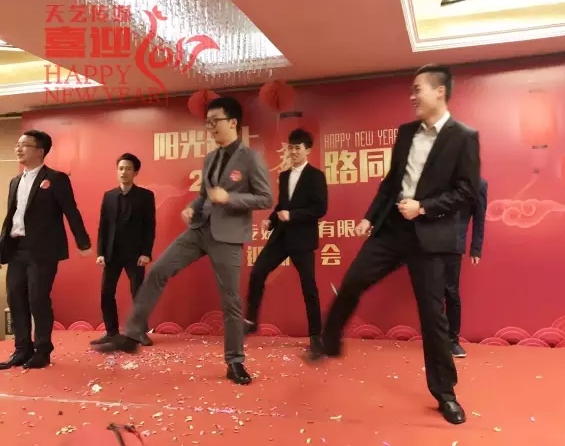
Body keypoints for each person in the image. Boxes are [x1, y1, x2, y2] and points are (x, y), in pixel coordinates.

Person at [303, 64, 480, 425]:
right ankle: (329, 342)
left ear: (439, 92)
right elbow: (390, 183)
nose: (412, 96)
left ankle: (445, 394)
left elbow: (466, 192)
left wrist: (424, 207)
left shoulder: (464, 137)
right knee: (352, 281)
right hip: (393, 229)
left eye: (418, 89)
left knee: (432, 316)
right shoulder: (406, 132)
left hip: (430, 236)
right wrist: (370, 217)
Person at [92, 97, 273, 386]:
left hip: (228, 237)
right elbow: (203, 195)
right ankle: (133, 334)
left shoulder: (251, 158)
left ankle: (235, 361)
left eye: (215, 121)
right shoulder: (211, 158)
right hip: (199, 230)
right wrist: (193, 207)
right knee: (158, 271)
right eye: (208, 122)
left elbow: (265, 198)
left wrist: (230, 197)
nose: (211, 126)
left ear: (233, 122)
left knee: (231, 301)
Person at [0, 130, 92, 370]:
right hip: (17, 248)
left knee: (37, 298)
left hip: (43, 250)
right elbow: (11, 218)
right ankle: (22, 350)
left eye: (24, 145)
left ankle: (42, 350)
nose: (18, 149)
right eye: (17, 145)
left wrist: (83, 242)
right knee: (15, 298)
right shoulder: (15, 181)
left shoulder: (56, 179)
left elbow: (71, 210)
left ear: (40, 151)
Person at [245, 128, 327, 353]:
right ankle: (251, 320)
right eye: (290, 148)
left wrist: (292, 216)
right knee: (257, 272)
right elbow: (282, 205)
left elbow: (320, 208)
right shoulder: (284, 176)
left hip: (303, 240)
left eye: (297, 148)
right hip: (281, 237)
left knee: (309, 287)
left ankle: (316, 336)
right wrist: (271, 220)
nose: (293, 152)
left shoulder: (316, 176)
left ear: (307, 150)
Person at [91, 153, 156, 347]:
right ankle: (111, 332)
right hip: (112, 252)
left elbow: (150, 226)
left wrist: (146, 252)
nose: (123, 172)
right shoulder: (109, 196)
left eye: (128, 168)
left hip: (135, 254)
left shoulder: (145, 196)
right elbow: (103, 226)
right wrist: (100, 252)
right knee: (106, 292)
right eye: (120, 168)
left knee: (138, 293)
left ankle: (139, 332)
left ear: (135, 172)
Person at [447, 178, 488, 358]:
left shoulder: (478, 184)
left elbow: (479, 219)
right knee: (430, 293)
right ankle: (435, 339)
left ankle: (452, 341)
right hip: (428, 243)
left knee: (451, 292)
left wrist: (476, 248)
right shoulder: (439, 177)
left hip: (454, 245)